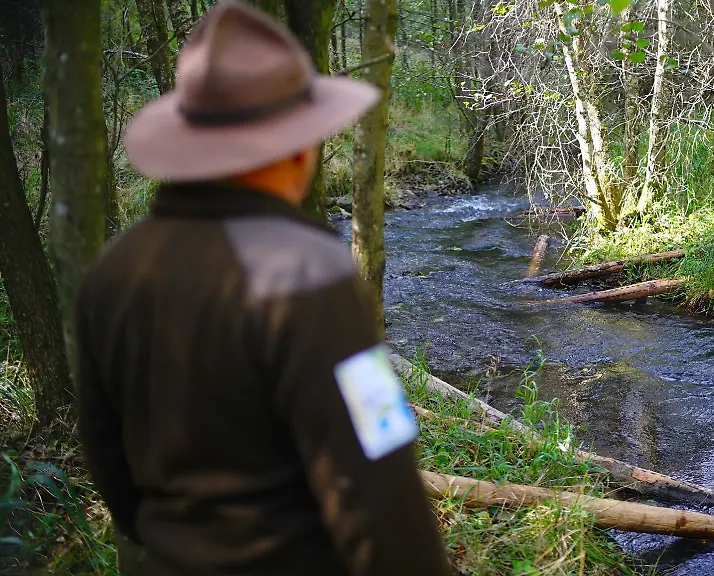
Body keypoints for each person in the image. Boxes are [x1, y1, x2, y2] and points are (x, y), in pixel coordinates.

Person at [73, 2, 451, 574]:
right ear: (295, 147)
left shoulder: (113, 272)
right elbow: (377, 479)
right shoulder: (309, 275)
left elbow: (108, 459)